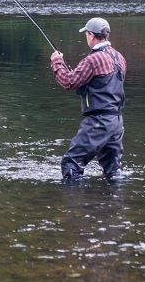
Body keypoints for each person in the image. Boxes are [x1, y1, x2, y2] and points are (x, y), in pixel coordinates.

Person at [50, 17, 127, 183]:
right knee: (113, 170)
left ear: (91, 35)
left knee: (71, 163)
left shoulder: (93, 60)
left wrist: (57, 62)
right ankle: (114, 205)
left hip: (98, 122)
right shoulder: (119, 57)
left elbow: (68, 82)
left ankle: (76, 206)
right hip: (117, 122)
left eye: (86, 34)